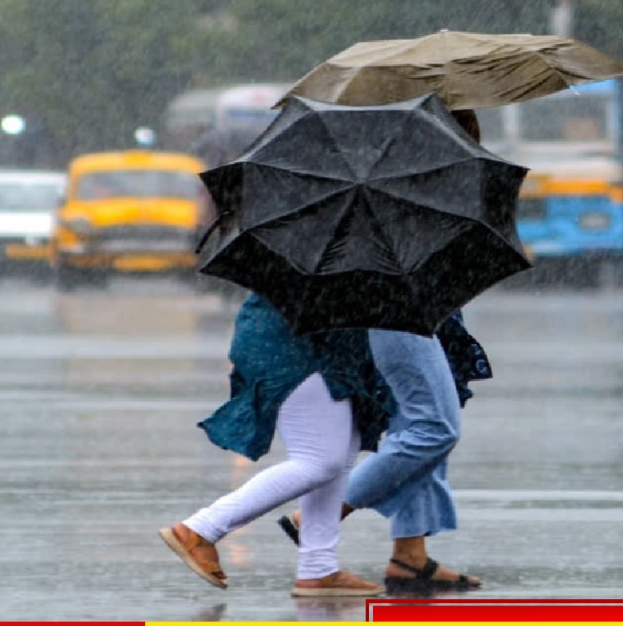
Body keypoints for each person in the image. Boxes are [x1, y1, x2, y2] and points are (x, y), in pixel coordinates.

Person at [275, 109, 492, 595]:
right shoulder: (406, 184)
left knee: (422, 422)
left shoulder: (427, 180)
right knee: (434, 426)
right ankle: (325, 514)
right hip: (398, 313)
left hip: (421, 314)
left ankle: (410, 558)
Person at [159, 291, 395, 597]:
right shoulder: (323, 253)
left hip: (324, 348)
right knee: (319, 460)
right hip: (296, 348)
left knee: (341, 453)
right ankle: (201, 530)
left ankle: (318, 569)